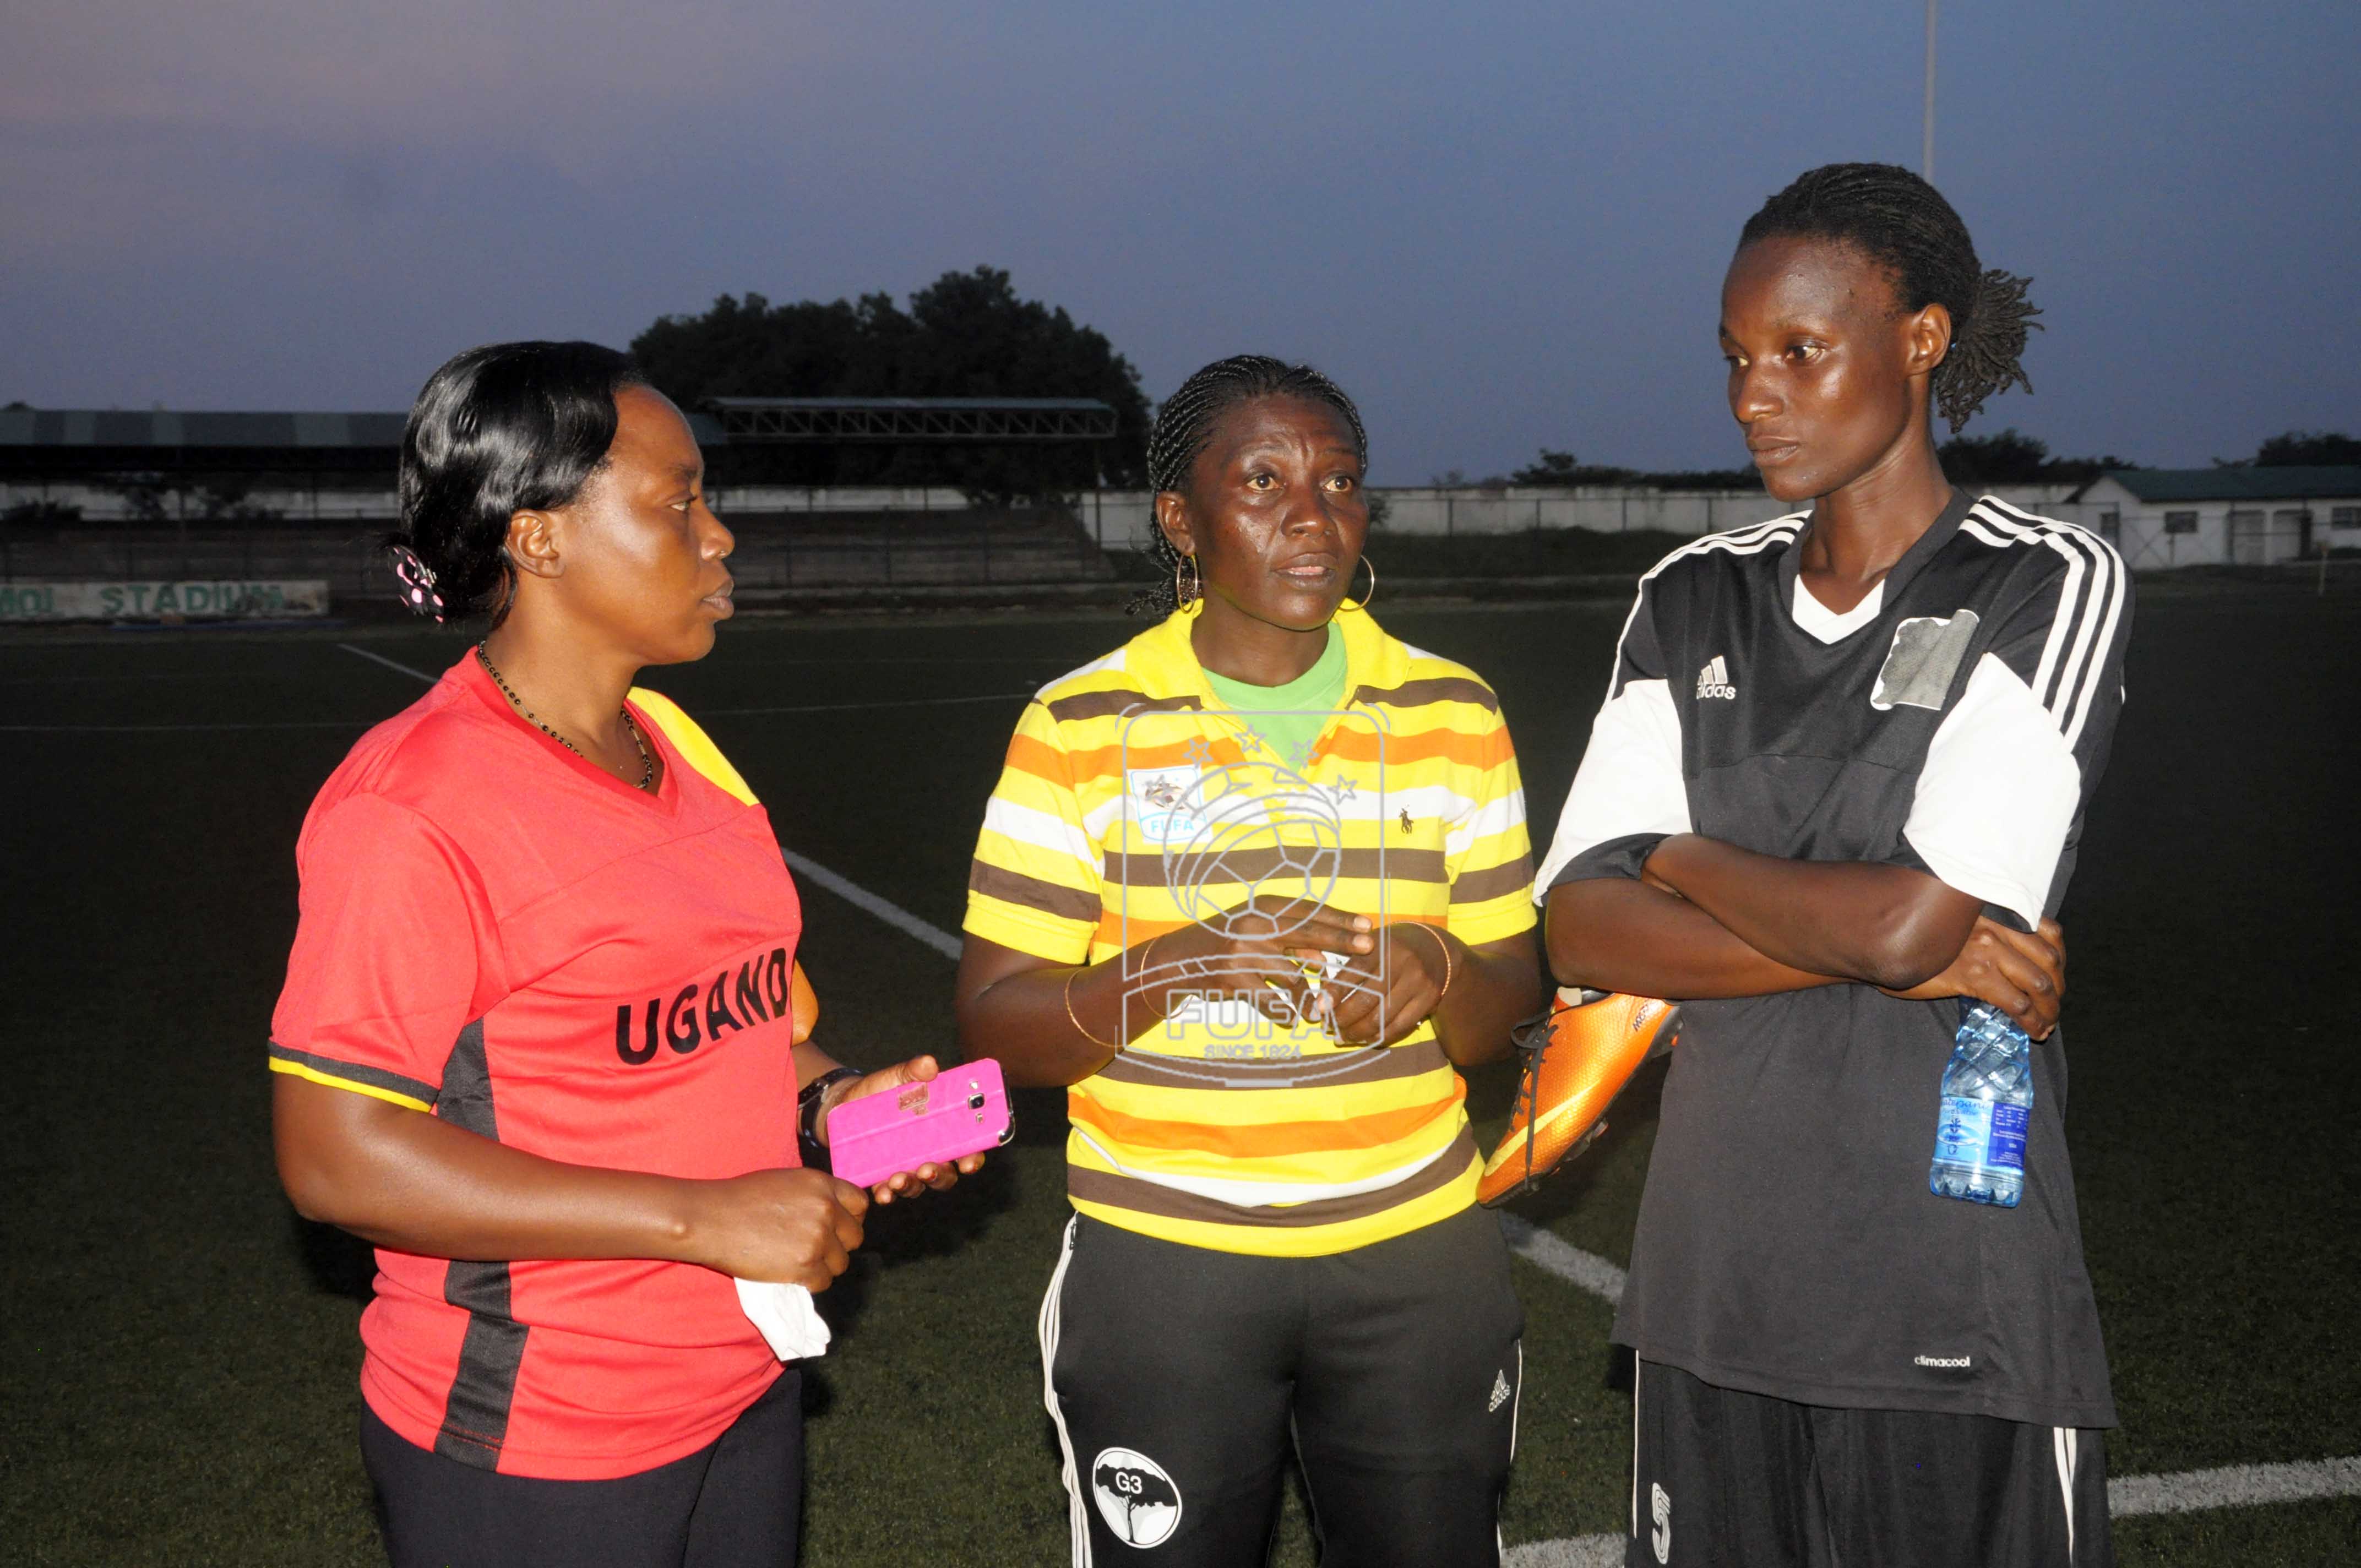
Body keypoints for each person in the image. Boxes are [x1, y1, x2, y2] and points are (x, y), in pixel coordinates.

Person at [269, 340, 980, 1568]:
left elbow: (749, 1027)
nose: (720, 537)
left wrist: (837, 1101)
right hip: (536, 1440)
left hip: (742, 1384)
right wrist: (703, 1220)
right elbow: (335, 1156)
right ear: (538, 539)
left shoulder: (682, 745)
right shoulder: (413, 805)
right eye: (677, 501)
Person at [1536, 164, 2129, 1567]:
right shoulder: (1688, 598)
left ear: (1919, 341)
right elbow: (1575, 927)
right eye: (1738, 358)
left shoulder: (2042, 581)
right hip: (1709, 1288)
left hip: (1945, 1288)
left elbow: (1912, 918)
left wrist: (1673, 856)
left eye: (1800, 351)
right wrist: (1880, 929)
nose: (1755, 393)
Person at [956, 355, 1548, 1567]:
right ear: (1179, 516)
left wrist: (1438, 962)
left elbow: (1507, 1004)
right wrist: (1178, 964)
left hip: (1417, 1258)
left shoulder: (1452, 711)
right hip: (1163, 1267)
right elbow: (998, 1024)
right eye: (1263, 478)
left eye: (1339, 481)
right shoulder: (1078, 722)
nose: (1311, 514)